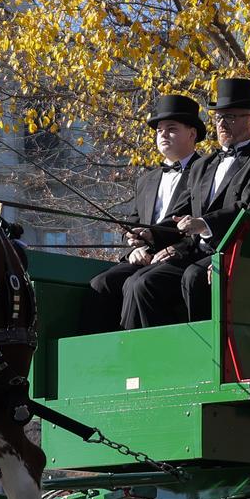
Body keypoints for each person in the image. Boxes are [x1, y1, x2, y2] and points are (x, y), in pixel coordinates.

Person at [139, 76, 250, 323]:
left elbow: (249, 207)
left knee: (193, 277)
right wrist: (151, 234)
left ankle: (204, 355)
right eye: (218, 117)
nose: (222, 123)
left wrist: (203, 223)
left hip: (231, 250)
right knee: (143, 282)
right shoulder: (203, 164)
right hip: (194, 250)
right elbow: (181, 212)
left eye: (231, 117)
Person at [80, 92, 207, 332]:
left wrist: (174, 249)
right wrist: (134, 248)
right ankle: (97, 358)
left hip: (181, 257)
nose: (163, 135)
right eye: (159, 130)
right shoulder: (146, 180)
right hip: (144, 258)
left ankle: (138, 355)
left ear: (192, 134)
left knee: (139, 285)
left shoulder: (205, 173)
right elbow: (132, 224)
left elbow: (200, 225)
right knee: (101, 283)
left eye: (171, 129)